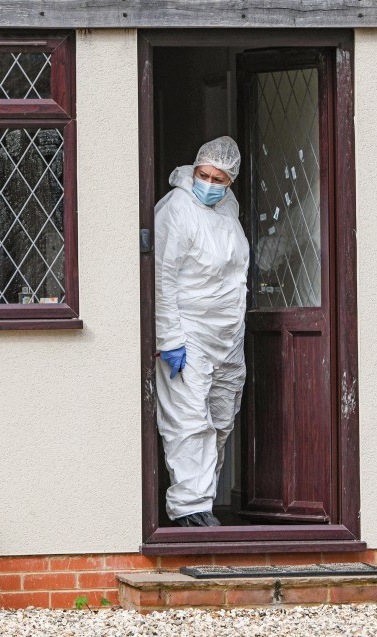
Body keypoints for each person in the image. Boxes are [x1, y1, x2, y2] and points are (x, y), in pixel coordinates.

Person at [154, 136, 249, 527]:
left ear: (231, 182)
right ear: (193, 170)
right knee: (189, 419)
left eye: (218, 178)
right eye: (203, 174)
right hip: (188, 333)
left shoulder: (228, 211)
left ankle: (203, 497)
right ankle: (189, 509)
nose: (208, 184)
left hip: (227, 335)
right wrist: (169, 338)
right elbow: (162, 276)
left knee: (220, 419)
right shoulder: (177, 208)